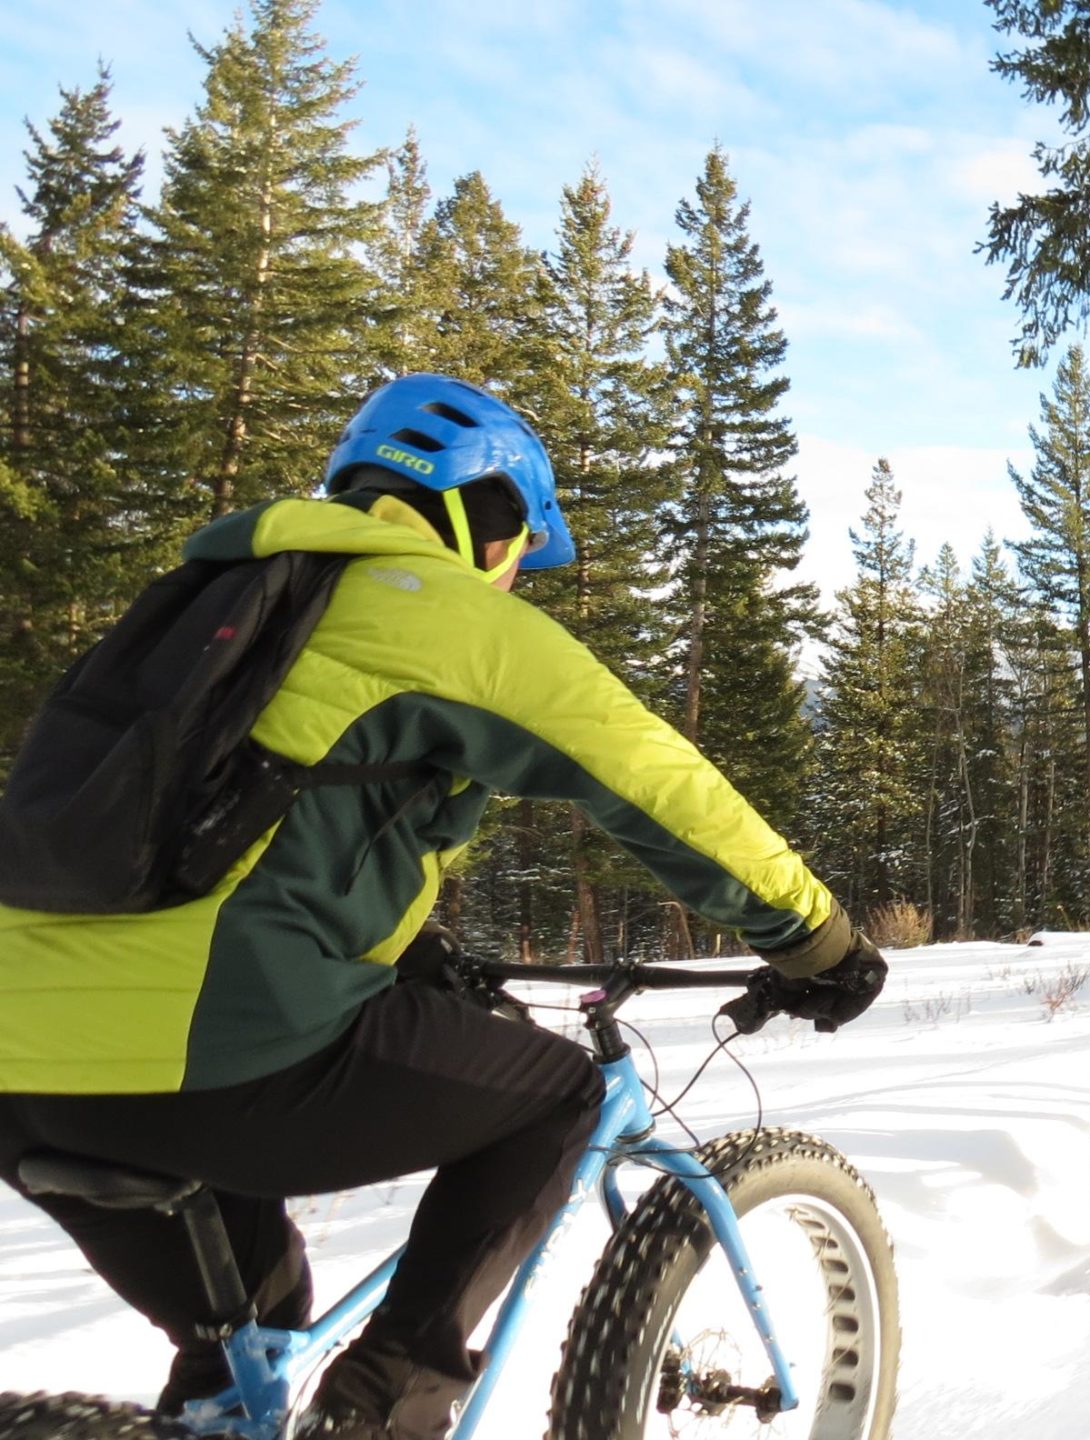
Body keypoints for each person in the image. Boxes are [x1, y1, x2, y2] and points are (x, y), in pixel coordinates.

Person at [0, 375, 886, 1439]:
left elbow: (229, 826)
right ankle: (387, 1407)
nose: (514, 584)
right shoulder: (430, 604)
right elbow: (655, 780)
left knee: (249, 1338)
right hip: (222, 1054)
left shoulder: (211, 603)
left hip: (21, 1069)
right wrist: (814, 937)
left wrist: (401, 950)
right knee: (557, 1097)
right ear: (489, 516)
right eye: (519, 554)